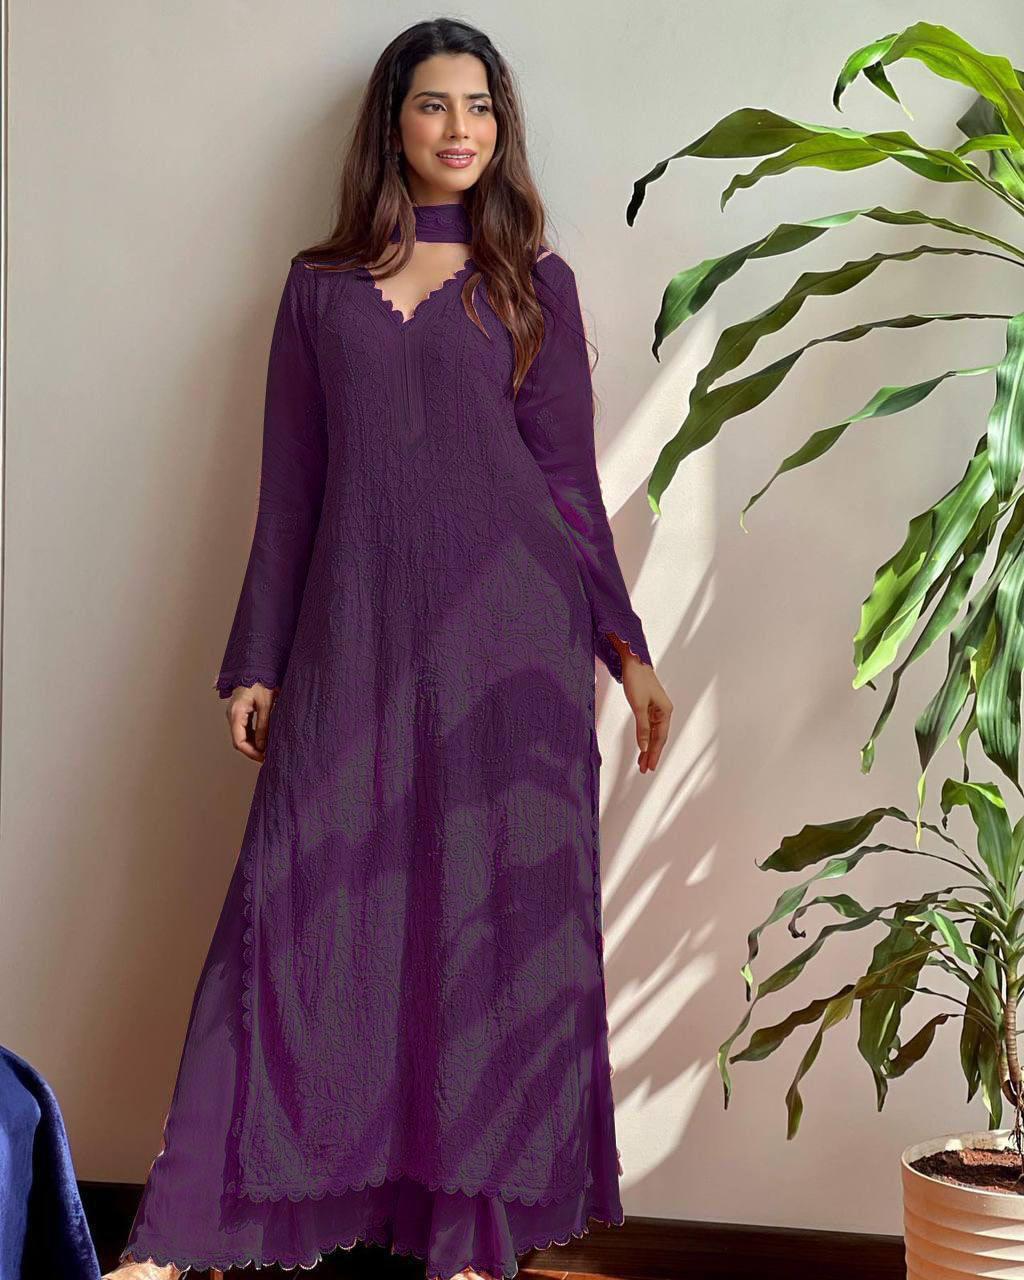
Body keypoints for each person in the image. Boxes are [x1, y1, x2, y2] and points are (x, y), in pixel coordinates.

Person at [105, 16, 672, 1280]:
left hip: (509, 655)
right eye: (433, 104)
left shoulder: (533, 282)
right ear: (392, 123)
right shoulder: (318, 291)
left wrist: (624, 648)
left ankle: (468, 1242)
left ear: (500, 127)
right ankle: (170, 1237)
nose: (460, 128)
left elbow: (567, 489)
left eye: (480, 106)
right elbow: (291, 490)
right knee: (285, 915)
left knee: (484, 925)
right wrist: (257, 657)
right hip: (352, 645)